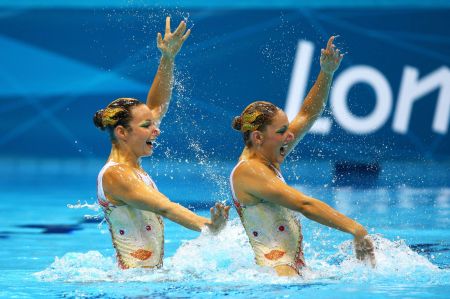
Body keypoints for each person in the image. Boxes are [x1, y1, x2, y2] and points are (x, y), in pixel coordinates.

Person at [230, 36, 376, 276]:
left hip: (290, 273)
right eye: (281, 131)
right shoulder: (250, 171)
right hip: (277, 279)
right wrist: (356, 229)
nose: (290, 136)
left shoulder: (268, 154)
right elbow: (304, 204)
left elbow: (307, 114)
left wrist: (326, 72)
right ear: (258, 137)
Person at [93, 17, 229, 269]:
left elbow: (156, 107)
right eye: (146, 127)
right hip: (134, 287)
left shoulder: (130, 167)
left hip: (145, 281)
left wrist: (167, 58)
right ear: (122, 132)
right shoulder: (117, 175)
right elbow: (165, 207)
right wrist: (207, 226)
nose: (155, 131)